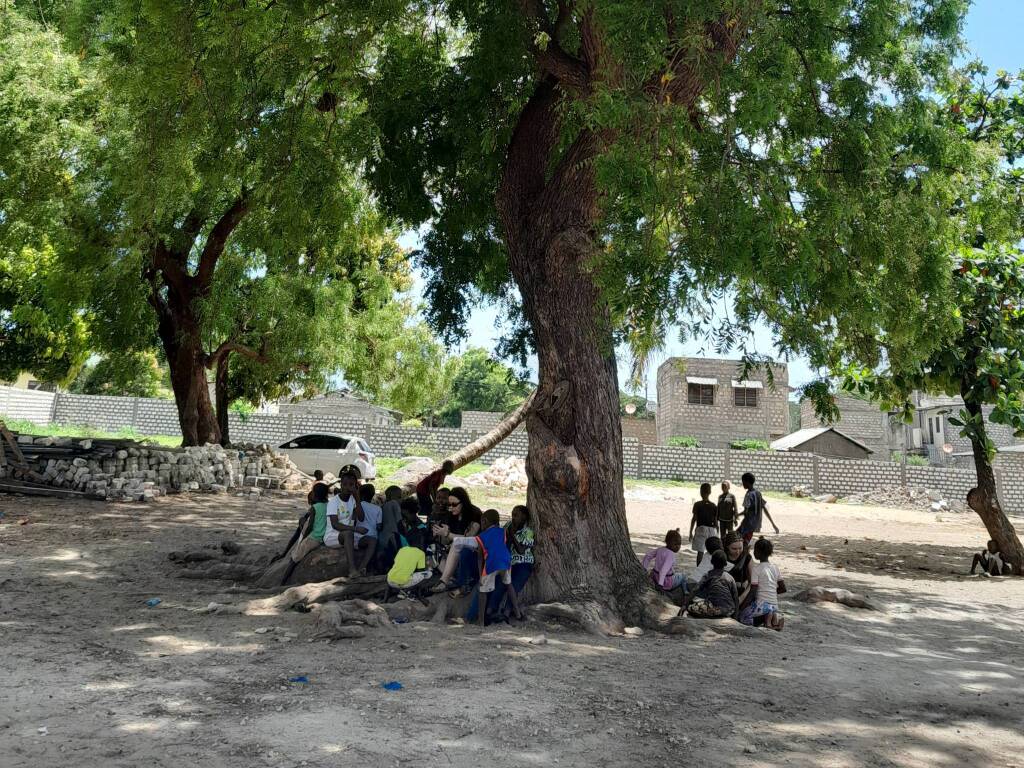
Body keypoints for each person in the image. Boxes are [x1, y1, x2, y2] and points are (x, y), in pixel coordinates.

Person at [473, 509, 522, 626]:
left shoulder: (481, 536)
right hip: (506, 561)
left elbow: (480, 558)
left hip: (492, 564)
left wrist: (480, 576)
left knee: (482, 591)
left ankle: (480, 621)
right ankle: (518, 613)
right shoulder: (504, 531)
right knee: (509, 585)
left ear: (484, 521)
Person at [431, 487, 484, 591]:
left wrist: (447, 534)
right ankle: (451, 578)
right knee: (433, 549)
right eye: (449, 505)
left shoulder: (474, 513)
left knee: (457, 543)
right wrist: (440, 533)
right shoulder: (451, 514)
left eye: (454, 504)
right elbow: (447, 539)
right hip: (456, 551)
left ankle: (444, 580)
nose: (451, 508)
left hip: (475, 551)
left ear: (463, 502)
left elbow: (468, 538)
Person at [739, 537, 786, 630]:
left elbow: (753, 591)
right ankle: (772, 620)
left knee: (743, 617)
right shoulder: (775, 567)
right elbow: (783, 588)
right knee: (763, 609)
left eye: (755, 550)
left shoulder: (757, 569)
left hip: (762, 604)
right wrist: (771, 591)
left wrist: (741, 607)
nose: (754, 552)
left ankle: (766, 620)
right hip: (774, 605)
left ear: (759, 552)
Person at [343, 483, 383, 576]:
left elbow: (351, 521)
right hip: (369, 539)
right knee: (373, 541)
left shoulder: (356, 505)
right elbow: (379, 527)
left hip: (357, 538)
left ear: (360, 494)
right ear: (372, 495)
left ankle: (359, 570)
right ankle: (362, 567)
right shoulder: (378, 509)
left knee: (372, 540)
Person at [685, 550, 738, 619]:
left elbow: (695, 589)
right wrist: (736, 616)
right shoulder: (730, 577)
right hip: (730, 609)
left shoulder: (708, 575)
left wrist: (685, 605)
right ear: (725, 564)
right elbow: (736, 598)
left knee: (691, 608)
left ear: (712, 562)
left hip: (715, 609)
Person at [737, 472, 779, 545]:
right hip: (755, 524)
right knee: (743, 541)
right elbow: (764, 508)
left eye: (743, 482)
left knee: (738, 540)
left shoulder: (748, 495)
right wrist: (773, 524)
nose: (742, 484)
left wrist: (736, 515)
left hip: (747, 524)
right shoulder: (758, 493)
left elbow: (745, 512)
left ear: (747, 482)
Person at [689, 483, 719, 565]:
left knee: (700, 552)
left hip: (701, 528)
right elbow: (715, 521)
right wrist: (717, 532)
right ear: (710, 492)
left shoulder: (697, 504)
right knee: (712, 551)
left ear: (700, 492)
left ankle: (699, 569)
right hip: (712, 530)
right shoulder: (713, 506)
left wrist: (690, 532)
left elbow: (694, 519)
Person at [723, 531, 753, 608]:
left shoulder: (747, 557)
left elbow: (752, 582)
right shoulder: (722, 556)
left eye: (740, 548)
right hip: (724, 593)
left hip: (742, 594)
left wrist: (741, 598)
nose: (738, 552)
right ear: (727, 546)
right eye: (734, 549)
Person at [377, 486, 404, 568]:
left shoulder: (382, 507)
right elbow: (399, 521)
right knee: (397, 555)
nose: (401, 499)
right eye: (399, 497)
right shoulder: (394, 504)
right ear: (391, 497)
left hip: (382, 537)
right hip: (393, 535)